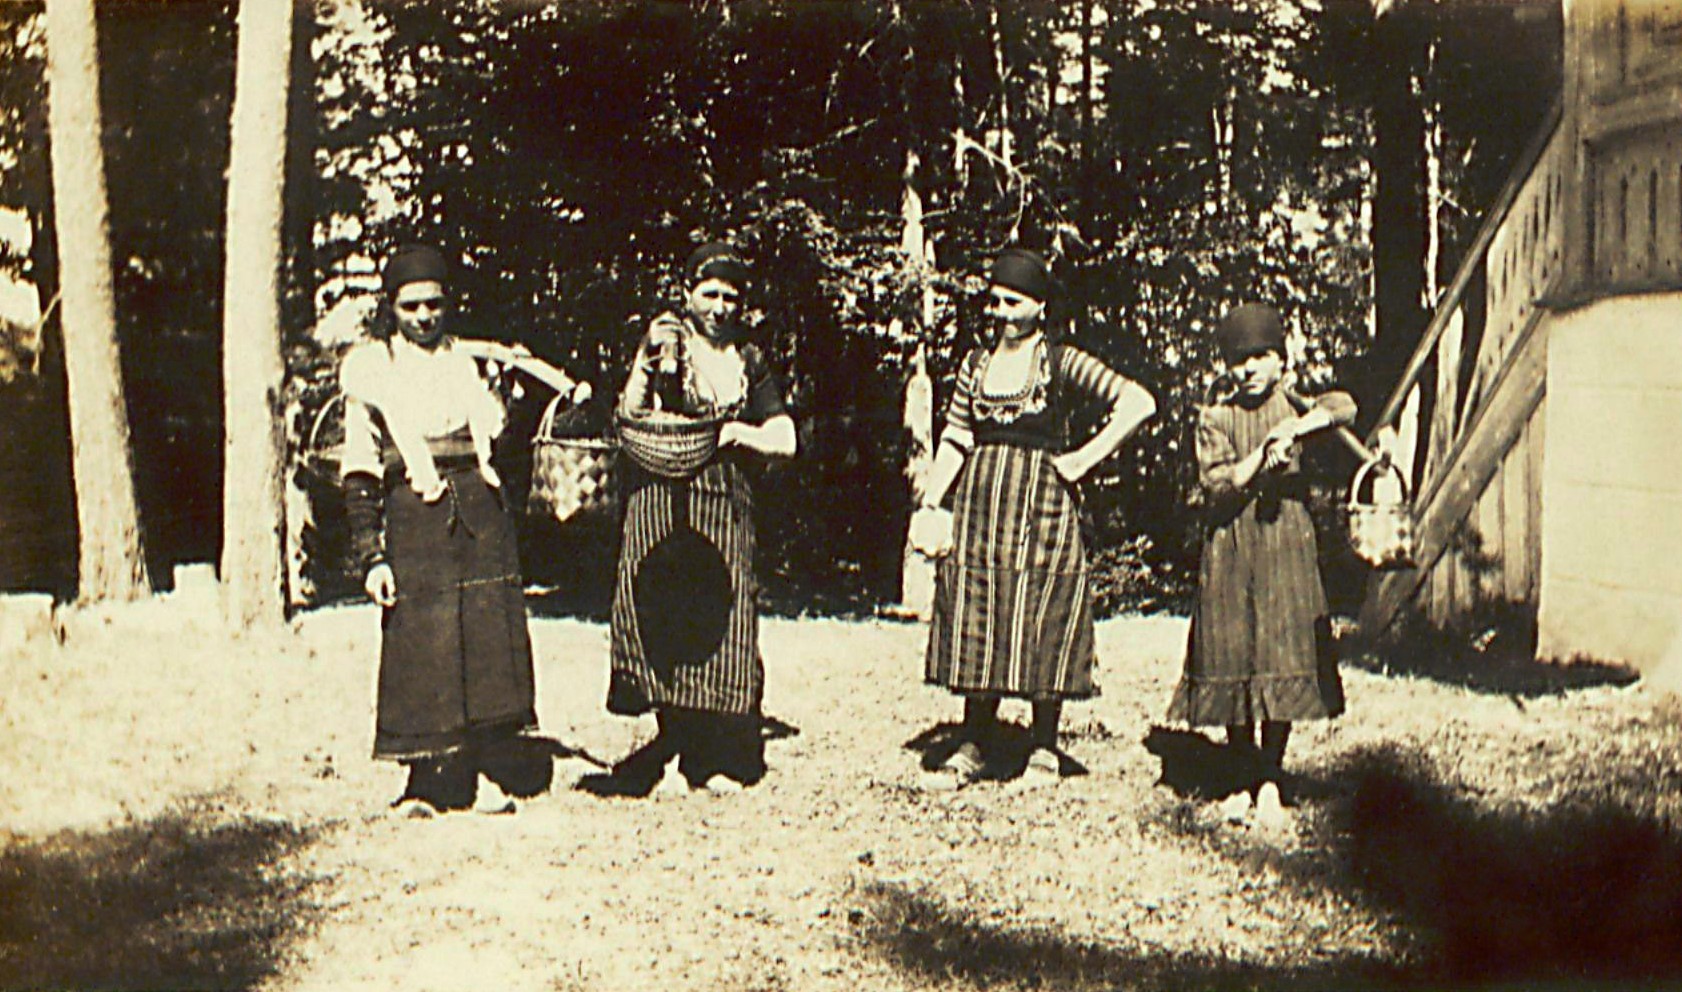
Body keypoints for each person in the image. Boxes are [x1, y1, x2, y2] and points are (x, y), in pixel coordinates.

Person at [340, 243, 584, 817]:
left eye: (434, 304)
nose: (425, 317)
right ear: (390, 309)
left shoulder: (466, 365)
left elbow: (497, 442)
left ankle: (487, 769)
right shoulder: (373, 373)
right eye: (410, 307)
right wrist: (371, 554)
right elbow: (360, 467)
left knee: (486, 638)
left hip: (479, 511)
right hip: (413, 515)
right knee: (421, 643)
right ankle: (427, 782)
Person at [914, 248, 1157, 788]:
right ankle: (975, 740)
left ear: (1039, 307)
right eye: (995, 300)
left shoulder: (1062, 359)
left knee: (1044, 611)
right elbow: (956, 436)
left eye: (1013, 302)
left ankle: (1044, 747)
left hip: (1043, 502)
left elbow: (1138, 402)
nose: (1000, 311)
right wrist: (932, 501)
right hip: (980, 503)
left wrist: (1082, 460)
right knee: (979, 607)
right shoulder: (975, 364)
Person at [603, 242, 796, 795]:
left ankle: (706, 759)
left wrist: (739, 433)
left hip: (723, 497)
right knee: (661, 613)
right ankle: (670, 745)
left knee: (723, 617)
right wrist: (647, 359)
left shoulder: (748, 361)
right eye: (708, 293)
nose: (719, 306)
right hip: (659, 494)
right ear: (687, 293)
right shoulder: (665, 344)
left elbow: (785, 438)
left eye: (730, 297)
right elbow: (628, 416)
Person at [1166, 302, 1357, 830]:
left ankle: (1270, 777)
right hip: (1230, 545)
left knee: (1280, 648)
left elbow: (1345, 407)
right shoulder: (1215, 417)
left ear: (1280, 360)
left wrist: (1296, 430)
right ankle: (1240, 772)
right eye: (1237, 359)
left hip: (1285, 547)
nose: (1248, 368)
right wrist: (1259, 461)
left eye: (1260, 356)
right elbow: (1217, 484)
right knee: (1234, 652)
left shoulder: (1296, 404)